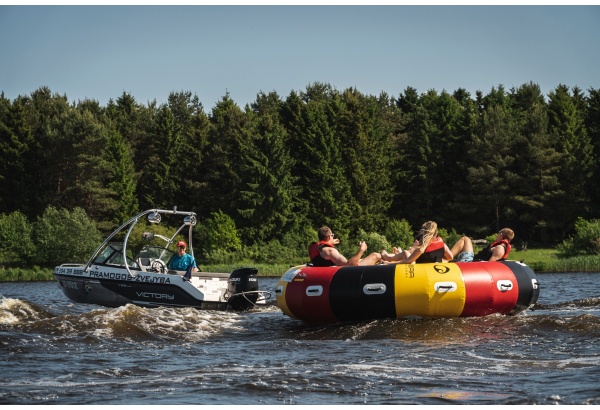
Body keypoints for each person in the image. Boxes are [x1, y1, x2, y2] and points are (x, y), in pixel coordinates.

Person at [381, 221, 453, 264]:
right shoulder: (443, 245)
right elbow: (450, 257)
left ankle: (388, 258)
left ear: (424, 232)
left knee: (405, 252)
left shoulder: (422, 247)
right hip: (434, 271)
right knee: (407, 253)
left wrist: (389, 265)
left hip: (419, 271)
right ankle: (391, 256)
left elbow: (407, 261)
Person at [308, 226, 382, 266]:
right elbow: (349, 265)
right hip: (348, 270)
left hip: (323, 268)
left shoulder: (317, 247)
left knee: (362, 259)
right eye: (332, 235)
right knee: (375, 255)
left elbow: (323, 245)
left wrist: (332, 242)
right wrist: (361, 250)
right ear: (329, 237)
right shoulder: (330, 251)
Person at [450, 228, 514, 262]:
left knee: (465, 239)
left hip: (470, 264)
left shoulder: (500, 248)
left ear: (501, 235)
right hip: (473, 261)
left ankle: (446, 259)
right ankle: (448, 258)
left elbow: (490, 266)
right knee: (466, 239)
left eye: (498, 234)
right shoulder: (502, 248)